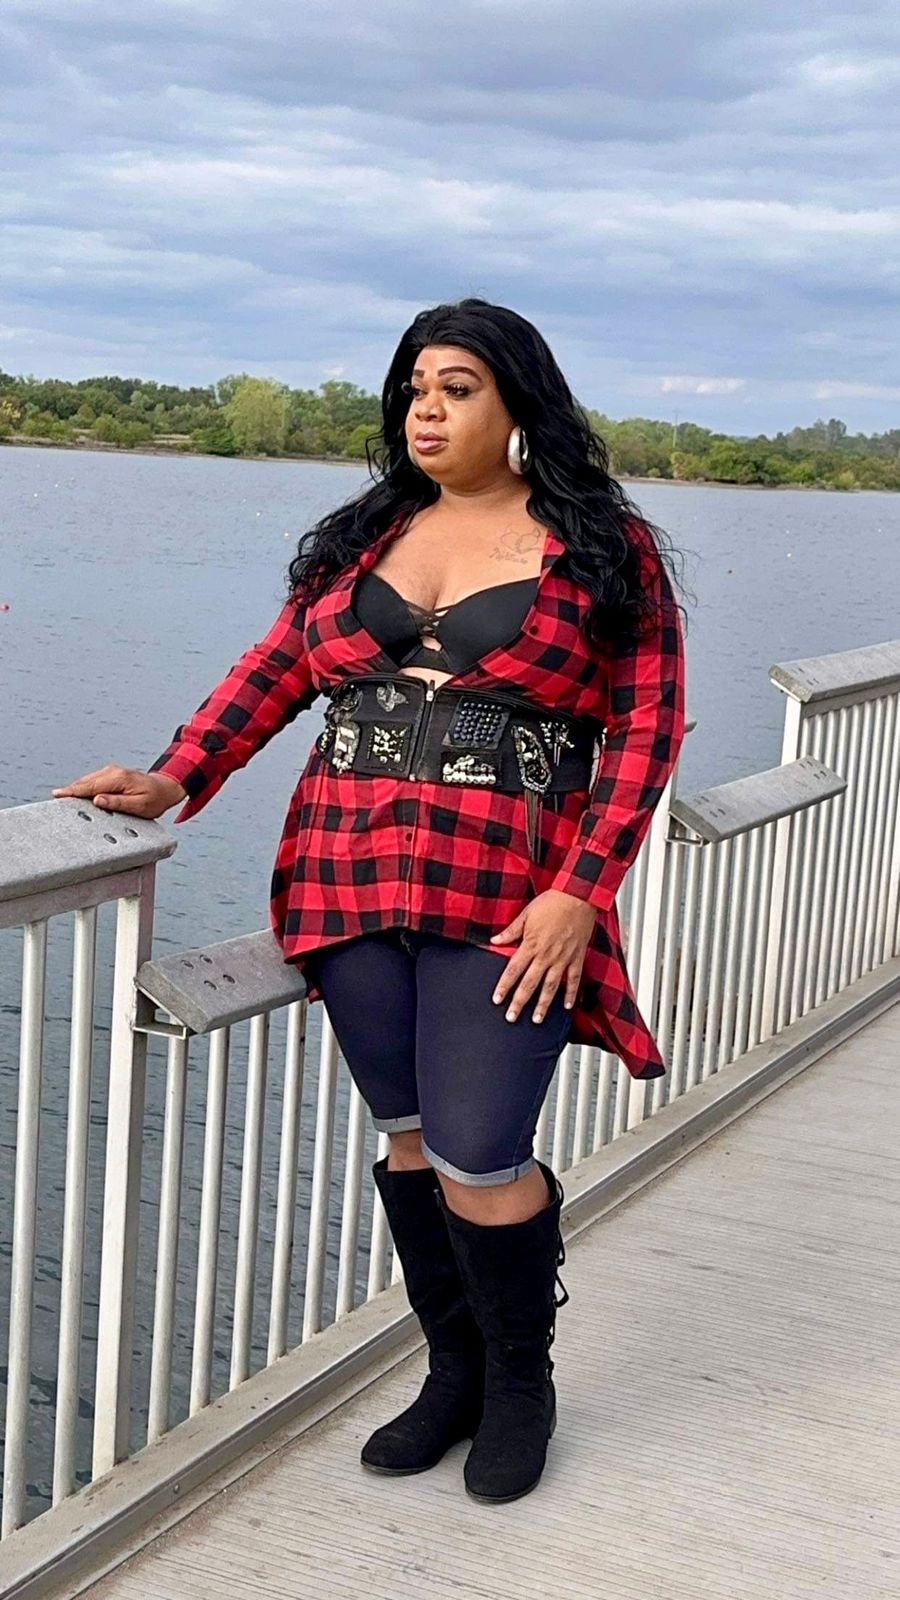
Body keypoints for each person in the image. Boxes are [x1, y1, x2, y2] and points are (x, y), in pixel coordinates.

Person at [52, 297, 688, 1506]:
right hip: (346, 875)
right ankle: (452, 1371)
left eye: (457, 388)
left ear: (518, 403)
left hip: (509, 894)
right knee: (406, 1137)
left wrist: (580, 892)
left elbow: (648, 731)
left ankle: (521, 1380)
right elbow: (278, 667)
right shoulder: (369, 536)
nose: (426, 411)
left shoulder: (604, 547)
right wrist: (179, 773)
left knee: (479, 1151)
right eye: (414, 390)